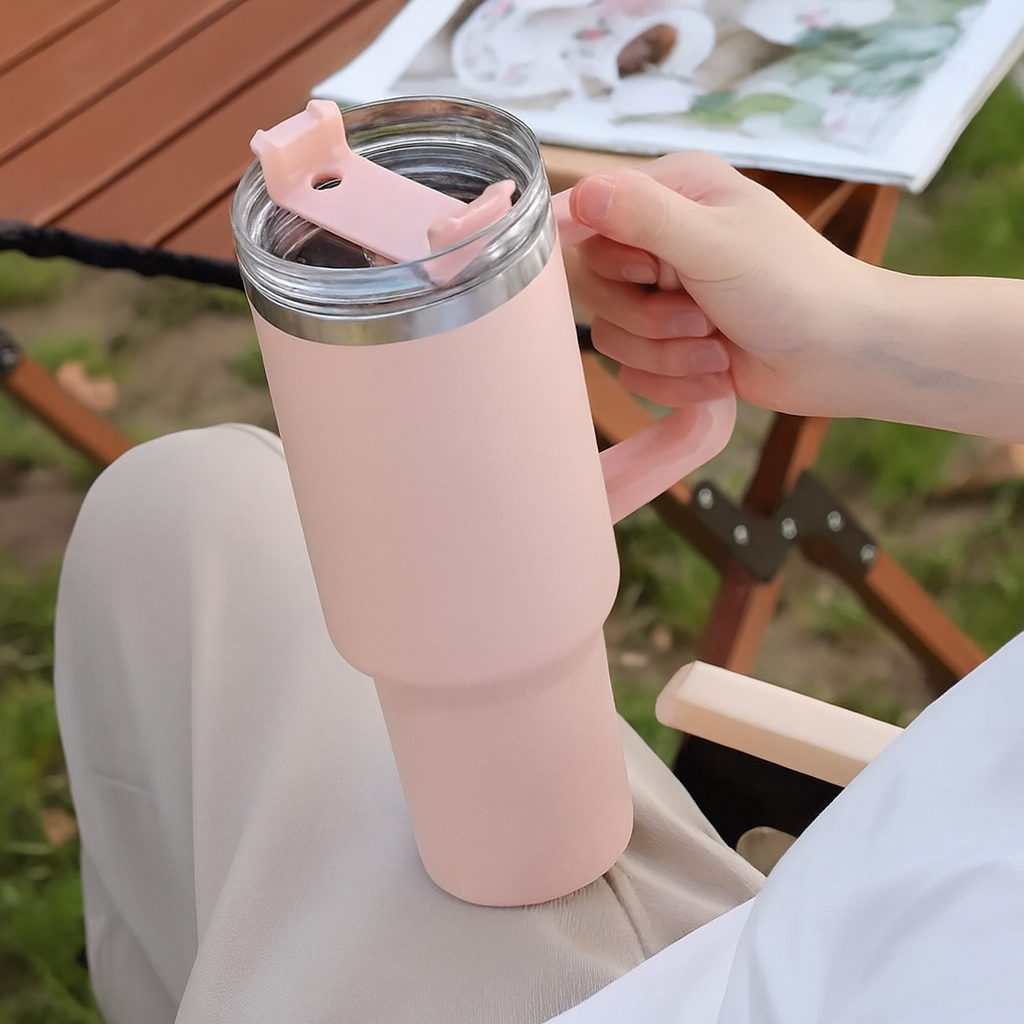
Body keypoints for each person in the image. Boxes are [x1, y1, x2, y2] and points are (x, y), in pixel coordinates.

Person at [53, 153, 1024, 1024]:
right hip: (817, 933)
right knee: (177, 502)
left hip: (714, 979)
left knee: (177, 530)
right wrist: (865, 332)